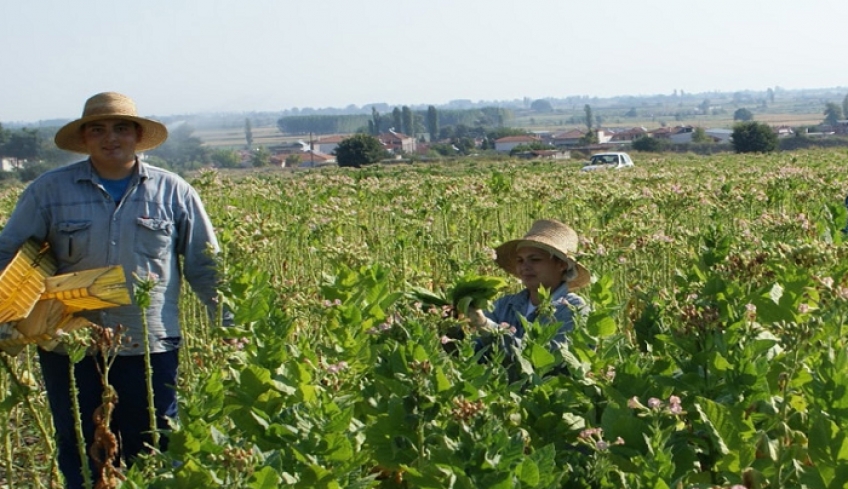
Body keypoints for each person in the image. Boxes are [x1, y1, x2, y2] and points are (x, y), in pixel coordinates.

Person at [0, 92, 230, 488]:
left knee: (153, 442)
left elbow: (205, 265)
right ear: (85, 138)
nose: (111, 138)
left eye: (121, 128)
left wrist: (228, 326)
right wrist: (8, 316)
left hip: (149, 342)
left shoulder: (174, 192)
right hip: (68, 341)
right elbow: (9, 253)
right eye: (98, 129)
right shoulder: (48, 191)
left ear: (137, 136)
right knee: (79, 443)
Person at [467, 218, 590, 361]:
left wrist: (486, 326)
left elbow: (551, 361)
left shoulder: (574, 310)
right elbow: (473, 353)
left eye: (535, 259)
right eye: (520, 260)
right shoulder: (504, 305)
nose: (524, 267)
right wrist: (453, 329)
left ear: (561, 264)